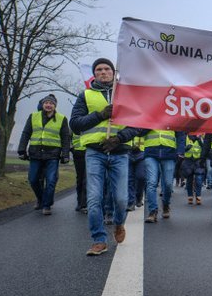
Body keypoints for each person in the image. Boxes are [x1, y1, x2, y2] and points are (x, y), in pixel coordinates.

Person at [70, 58, 140, 256]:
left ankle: (118, 223)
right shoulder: (85, 95)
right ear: (94, 74)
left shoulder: (125, 95)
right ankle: (99, 240)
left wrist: (119, 139)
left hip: (119, 153)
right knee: (94, 199)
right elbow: (75, 124)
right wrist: (100, 115)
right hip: (95, 153)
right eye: (99, 69)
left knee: (121, 199)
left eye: (107, 69)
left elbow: (137, 125)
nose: (103, 72)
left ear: (113, 72)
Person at [17, 94, 71, 215]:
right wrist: (21, 150)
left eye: (51, 103)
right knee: (33, 179)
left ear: (55, 106)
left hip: (53, 155)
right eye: (46, 103)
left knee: (51, 181)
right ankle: (41, 199)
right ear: (42, 104)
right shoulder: (33, 116)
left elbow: (65, 138)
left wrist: (65, 154)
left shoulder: (62, 119)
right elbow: (26, 133)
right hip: (35, 154)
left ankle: (46, 205)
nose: (48, 105)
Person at [140, 128, 186, 223]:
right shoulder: (149, 118)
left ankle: (166, 204)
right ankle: (152, 211)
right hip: (151, 153)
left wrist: (180, 151)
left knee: (168, 184)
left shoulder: (173, 117)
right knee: (151, 182)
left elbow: (180, 134)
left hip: (169, 153)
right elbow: (140, 132)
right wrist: (150, 123)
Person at [182, 134, 205, 205]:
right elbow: (180, 148)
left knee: (199, 179)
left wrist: (200, 141)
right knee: (189, 180)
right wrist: (185, 148)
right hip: (188, 160)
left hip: (198, 161)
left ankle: (198, 196)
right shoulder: (185, 137)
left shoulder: (201, 137)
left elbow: (205, 148)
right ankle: (190, 196)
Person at [127, 135, 146, 211]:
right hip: (128, 152)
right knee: (129, 179)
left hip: (142, 152)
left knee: (141, 177)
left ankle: (139, 196)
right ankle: (131, 202)